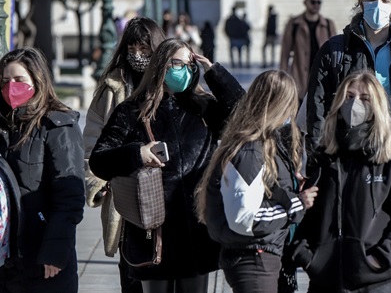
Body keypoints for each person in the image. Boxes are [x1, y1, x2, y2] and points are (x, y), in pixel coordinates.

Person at [90, 39, 245, 293]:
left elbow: (243, 110)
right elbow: (99, 160)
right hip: (154, 232)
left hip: (197, 232)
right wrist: (137, 153)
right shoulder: (132, 110)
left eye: (188, 65)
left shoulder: (203, 108)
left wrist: (214, 72)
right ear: (161, 65)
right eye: (176, 63)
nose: (182, 70)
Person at [289, 71, 391, 293]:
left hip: (380, 282)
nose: (355, 104)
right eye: (349, 96)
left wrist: (379, 258)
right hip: (327, 281)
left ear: (376, 105)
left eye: (364, 98)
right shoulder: (325, 154)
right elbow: (310, 214)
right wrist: (308, 257)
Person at [196, 70, 318, 293]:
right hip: (253, 258)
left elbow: (262, 190)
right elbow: (244, 218)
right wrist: (297, 204)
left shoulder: (262, 144)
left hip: (261, 256)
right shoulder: (250, 151)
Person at [83, 17, 166, 293]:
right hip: (125, 194)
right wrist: (97, 181)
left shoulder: (171, 85)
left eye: (145, 50)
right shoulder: (112, 88)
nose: (138, 57)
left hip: (167, 194)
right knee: (131, 271)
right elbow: (92, 141)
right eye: (132, 50)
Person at [0, 48, 85, 293]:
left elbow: (69, 198)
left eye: (19, 80)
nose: (11, 86)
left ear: (37, 81)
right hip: (7, 260)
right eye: (5, 81)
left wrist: (56, 252)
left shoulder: (59, 125)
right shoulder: (3, 126)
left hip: (44, 258)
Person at [305, 0, 391, 150]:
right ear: (361, 2)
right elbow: (317, 104)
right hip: (346, 148)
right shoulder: (335, 49)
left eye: (385, 0)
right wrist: (317, 151)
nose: (377, 5)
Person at [280, 0, 337, 102]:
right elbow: (285, 51)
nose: (316, 5)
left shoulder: (328, 24)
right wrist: (283, 74)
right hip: (299, 77)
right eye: (313, 1)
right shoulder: (294, 24)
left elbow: (335, 52)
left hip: (322, 76)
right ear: (305, 2)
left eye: (318, 2)